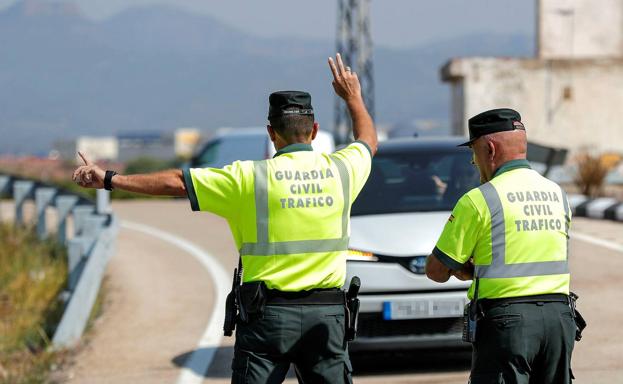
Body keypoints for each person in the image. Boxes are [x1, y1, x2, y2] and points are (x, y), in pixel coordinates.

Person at [72, 53, 377, 384]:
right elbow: (367, 142)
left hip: (267, 318)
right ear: (314, 130)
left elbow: (177, 182)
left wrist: (109, 179)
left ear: (271, 133)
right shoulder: (343, 170)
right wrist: (353, 98)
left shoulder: (247, 178)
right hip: (326, 317)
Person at [425, 108, 577, 384]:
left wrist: (468, 269)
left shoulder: (479, 200)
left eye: (474, 152)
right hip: (559, 320)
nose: (473, 161)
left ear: (490, 149)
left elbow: (436, 270)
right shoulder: (559, 194)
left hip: (508, 324)